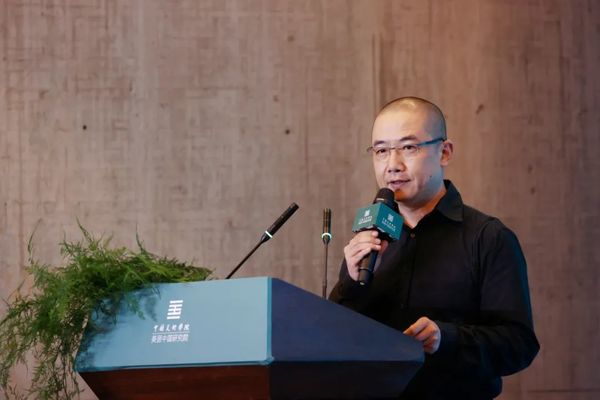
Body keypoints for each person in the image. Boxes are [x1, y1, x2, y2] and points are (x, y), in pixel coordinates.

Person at [329, 97, 539, 399]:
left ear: (445, 152)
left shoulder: (488, 238)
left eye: (409, 147)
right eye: (381, 151)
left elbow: (519, 345)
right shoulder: (370, 236)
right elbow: (336, 336)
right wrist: (350, 282)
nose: (392, 165)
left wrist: (446, 338)